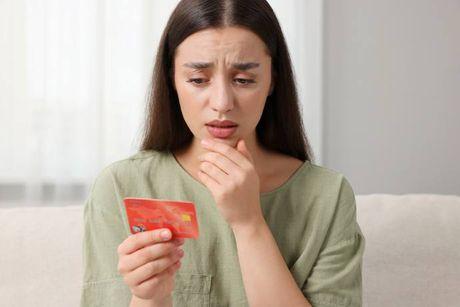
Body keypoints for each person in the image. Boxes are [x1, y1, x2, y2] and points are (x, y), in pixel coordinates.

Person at [80, 0, 366, 306]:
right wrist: (148, 297)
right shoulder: (121, 186)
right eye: (198, 80)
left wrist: (249, 223)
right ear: (171, 80)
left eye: (243, 80)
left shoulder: (327, 196)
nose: (221, 102)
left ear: (273, 80)